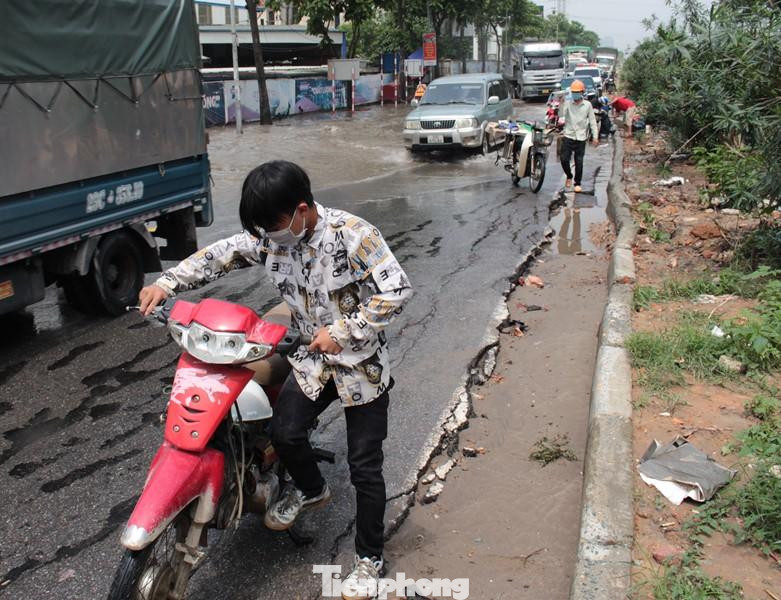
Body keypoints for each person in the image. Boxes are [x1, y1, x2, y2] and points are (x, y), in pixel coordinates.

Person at [138, 160, 413, 600]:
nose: (268, 236)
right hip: (310, 359)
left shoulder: (354, 234)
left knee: (365, 467)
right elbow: (221, 254)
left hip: (360, 364)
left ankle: (369, 559)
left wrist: (343, 331)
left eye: (275, 224)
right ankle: (311, 489)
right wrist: (167, 283)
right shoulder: (271, 238)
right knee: (284, 432)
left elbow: (396, 290)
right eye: (261, 229)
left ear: (302, 210)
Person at [559, 79, 599, 193]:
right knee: (564, 159)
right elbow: (561, 115)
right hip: (569, 135)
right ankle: (569, 175)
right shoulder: (568, 104)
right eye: (573, 92)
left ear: (582, 92)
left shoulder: (587, 105)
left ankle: (577, 183)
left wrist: (595, 137)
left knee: (579, 161)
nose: (575, 94)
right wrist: (561, 103)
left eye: (577, 92)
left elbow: (592, 121)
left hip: (581, 137)